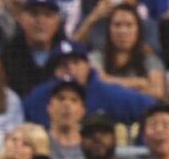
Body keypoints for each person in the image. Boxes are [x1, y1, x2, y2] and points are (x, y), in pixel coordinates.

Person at [23, 39, 154, 128]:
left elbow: (153, 110)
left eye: (76, 62)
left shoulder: (108, 94)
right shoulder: (39, 97)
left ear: (88, 65)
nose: (71, 70)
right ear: (55, 71)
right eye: (64, 65)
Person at [89, 3, 165, 100]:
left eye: (129, 25)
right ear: (109, 30)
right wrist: (139, 82)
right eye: (117, 25)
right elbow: (98, 82)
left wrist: (111, 85)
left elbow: (157, 92)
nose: (123, 31)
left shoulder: (151, 60)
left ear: (138, 30)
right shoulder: (96, 57)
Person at [2, 0, 65, 98]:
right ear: (21, 19)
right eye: (34, 14)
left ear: (57, 22)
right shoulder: (7, 56)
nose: (41, 21)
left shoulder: (69, 56)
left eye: (48, 15)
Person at [45, 78, 86, 159]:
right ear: (49, 107)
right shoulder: (38, 144)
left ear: (82, 111)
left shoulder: (90, 147)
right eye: (61, 98)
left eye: (74, 100)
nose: (67, 104)